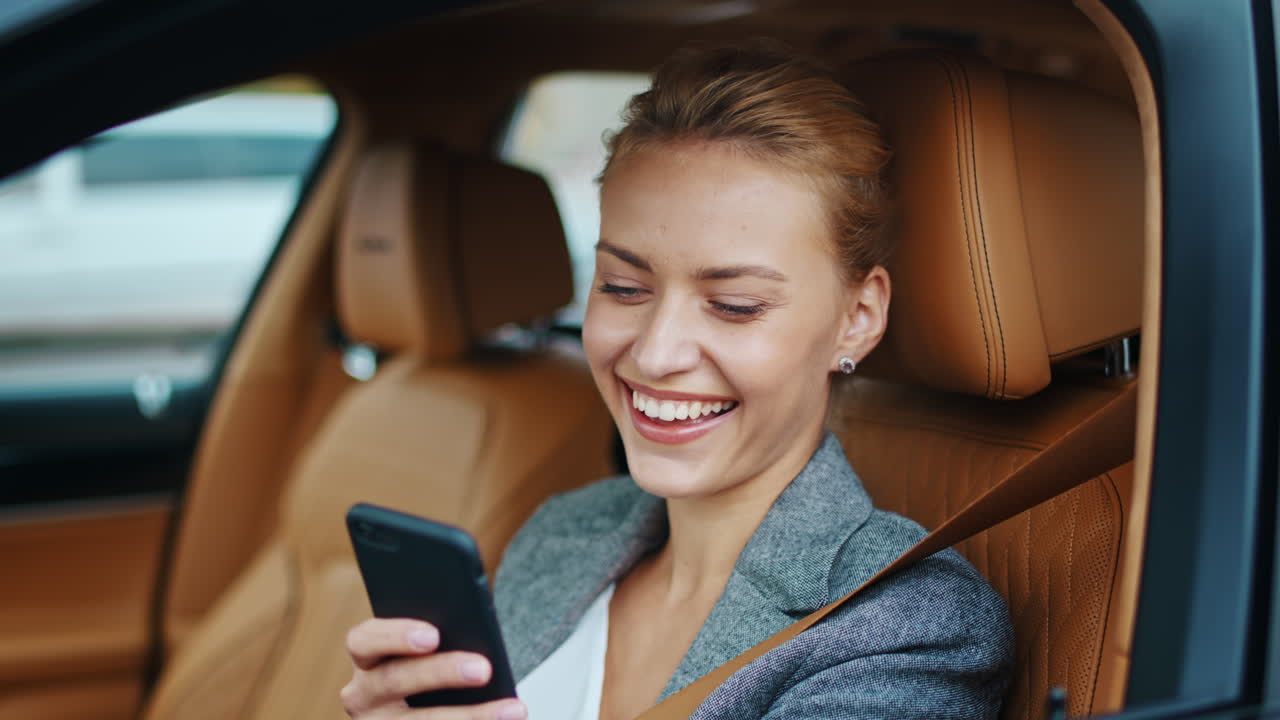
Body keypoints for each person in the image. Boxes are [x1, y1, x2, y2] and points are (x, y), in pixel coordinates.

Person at [340, 41, 1013, 720]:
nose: (657, 354)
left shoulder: (906, 625)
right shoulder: (563, 535)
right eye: (624, 287)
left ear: (858, 318)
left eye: (735, 304)